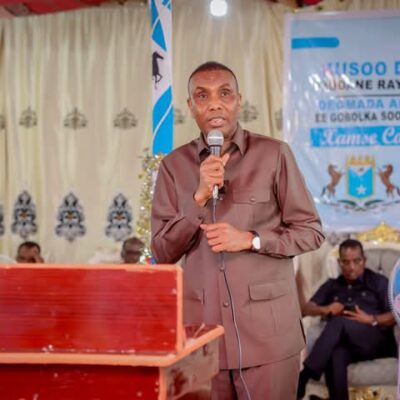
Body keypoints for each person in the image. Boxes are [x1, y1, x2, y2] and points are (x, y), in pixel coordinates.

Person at [151, 61, 325, 399]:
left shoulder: (274, 154)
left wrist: (251, 239)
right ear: (191, 106)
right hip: (203, 339)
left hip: (269, 339)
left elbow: (311, 231)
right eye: (202, 96)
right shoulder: (173, 167)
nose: (215, 104)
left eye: (224, 93)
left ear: (239, 101)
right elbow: (162, 252)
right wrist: (198, 198)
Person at [297, 239, 397, 400]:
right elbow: (306, 309)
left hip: (376, 339)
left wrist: (371, 319)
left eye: (356, 261)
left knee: (338, 322)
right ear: (339, 262)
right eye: (346, 262)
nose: (351, 267)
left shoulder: (378, 282)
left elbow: (395, 314)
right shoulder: (332, 285)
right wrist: (326, 309)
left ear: (364, 260)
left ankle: (305, 375)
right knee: (336, 354)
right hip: (346, 344)